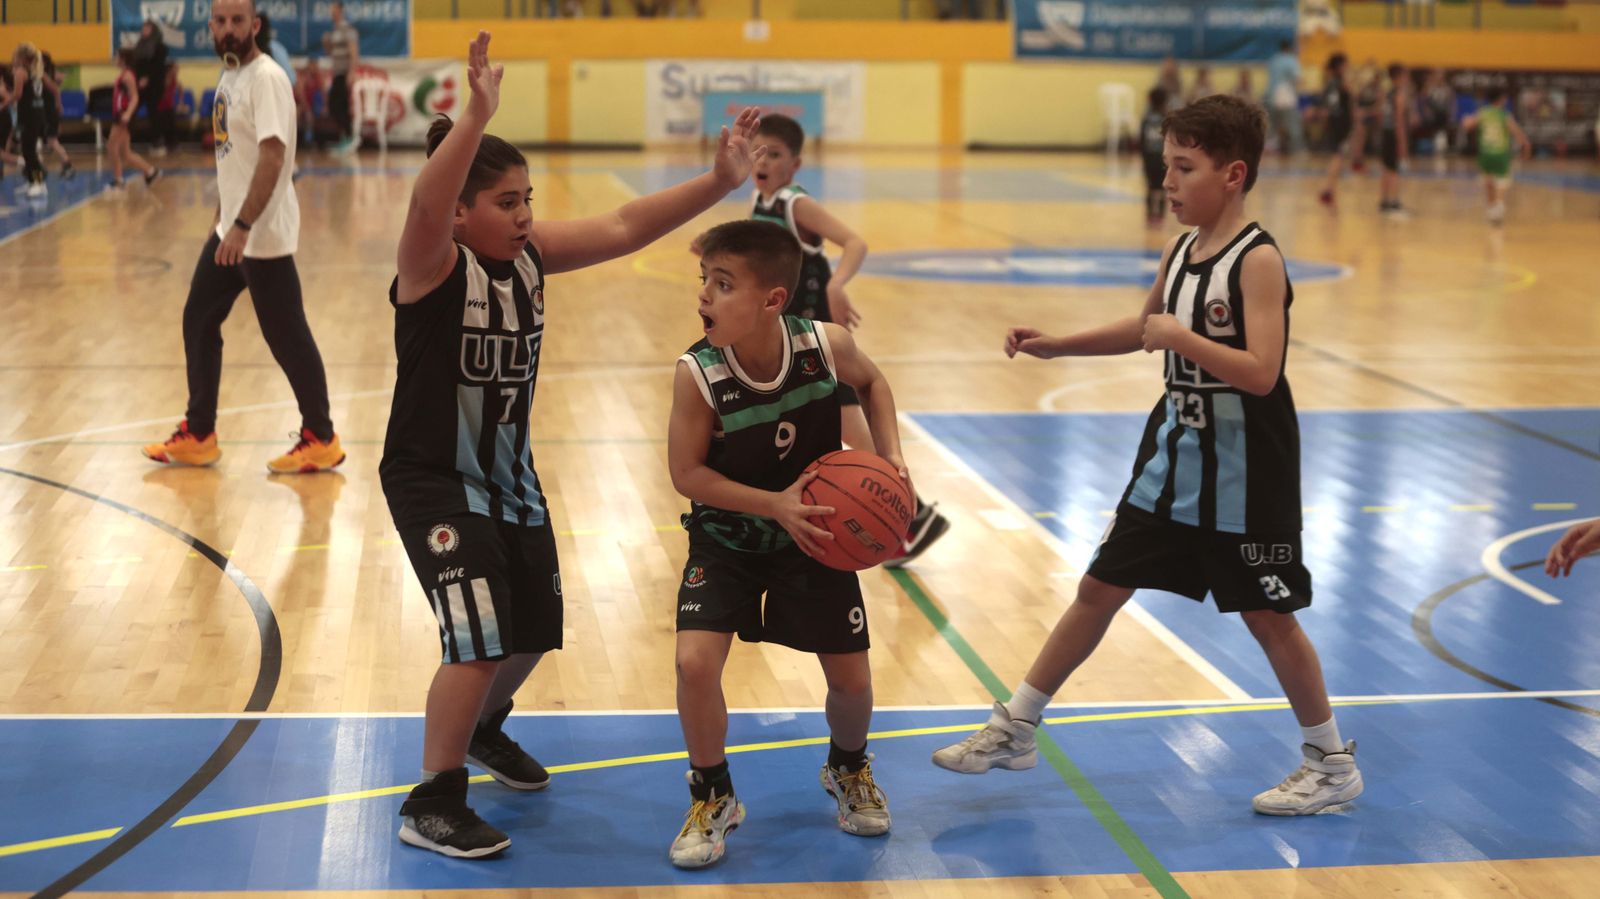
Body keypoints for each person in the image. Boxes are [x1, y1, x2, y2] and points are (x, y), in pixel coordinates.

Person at [382, 31, 763, 859]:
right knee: (479, 636)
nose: (524, 214)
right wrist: (475, 118)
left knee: (531, 628)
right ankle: (433, 798)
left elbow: (624, 225)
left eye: (527, 198)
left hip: (509, 478)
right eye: (505, 202)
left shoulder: (532, 259)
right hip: (435, 479)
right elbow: (424, 205)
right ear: (461, 213)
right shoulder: (432, 265)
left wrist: (718, 183)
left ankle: (483, 727)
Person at [930, 95, 1364, 819]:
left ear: (1233, 174)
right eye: (1167, 165)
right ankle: (1018, 725)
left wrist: (1182, 338)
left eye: (1184, 167)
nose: (1168, 181)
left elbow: (1262, 371)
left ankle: (1331, 761)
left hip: (1245, 468)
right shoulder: (1179, 250)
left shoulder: (1256, 259)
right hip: (1173, 454)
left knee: (1267, 615)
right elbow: (1144, 329)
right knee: (1099, 587)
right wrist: (1057, 345)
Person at [666, 219, 907, 867]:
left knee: (852, 682)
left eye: (723, 284)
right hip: (728, 536)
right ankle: (713, 794)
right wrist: (774, 503)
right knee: (694, 664)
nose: (704, 296)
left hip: (815, 535)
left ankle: (848, 767)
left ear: (773, 299)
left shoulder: (824, 346)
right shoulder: (698, 372)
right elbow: (686, 474)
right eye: (704, 280)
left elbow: (874, 383)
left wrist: (891, 458)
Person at [702, 113, 950, 566]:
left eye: (775, 155)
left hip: (816, 345)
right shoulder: (762, 199)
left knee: (861, 440)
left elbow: (855, 242)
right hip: (790, 346)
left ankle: (911, 516)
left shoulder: (795, 204)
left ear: (795, 165)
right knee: (853, 438)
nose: (764, 162)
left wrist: (837, 284)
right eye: (759, 153)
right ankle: (909, 516)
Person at [142, 0, 341, 473]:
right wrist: (223, 219)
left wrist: (243, 225)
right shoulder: (230, 77)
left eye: (238, 21)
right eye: (221, 22)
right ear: (210, 26)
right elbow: (236, 158)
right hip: (231, 230)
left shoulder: (266, 78)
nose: (228, 30)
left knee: (286, 335)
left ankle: (321, 437)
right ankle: (199, 432)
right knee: (199, 317)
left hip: (261, 233)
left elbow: (273, 156)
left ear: (255, 25)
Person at [1461, 86, 1530, 225]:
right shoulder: (1504, 115)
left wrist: (1465, 120)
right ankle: (1499, 204)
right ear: (1502, 99)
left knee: (1488, 180)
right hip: (1500, 153)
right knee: (1502, 182)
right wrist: (1525, 144)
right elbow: (1516, 132)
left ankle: (1491, 208)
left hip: (1485, 153)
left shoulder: (1483, 112)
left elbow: (1467, 125)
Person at [107, 48, 161, 191]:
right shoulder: (124, 74)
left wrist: (128, 114)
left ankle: (118, 180)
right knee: (126, 153)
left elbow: (135, 97)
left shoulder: (127, 76)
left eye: (117, 56)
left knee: (112, 147)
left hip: (123, 116)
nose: (115, 59)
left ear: (123, 59)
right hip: (121, 115)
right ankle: (150, 171)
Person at [1316, 53, 1358, 208]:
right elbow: (1352, 96)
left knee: (1339, 157)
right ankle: (1327, 189)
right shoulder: (1339, 82)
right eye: (1346, 64)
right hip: (1341, 122)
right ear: (1340, 66)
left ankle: (1330, 189)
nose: (1348, 67)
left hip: (1336, 122)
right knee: (1338, 156)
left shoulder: (1330, 82)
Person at [11, 43, 50, 198]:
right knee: (27, 150)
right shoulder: (34, 71)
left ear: (21, 58)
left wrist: (4, 103)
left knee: (29, 151)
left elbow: (17, 95)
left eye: (15, 55)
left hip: (29, 116)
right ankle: (32, 181)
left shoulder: (21, 71)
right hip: (35, 114)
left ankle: (39, 183)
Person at [322, 0, 359, 151]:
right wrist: (326, 43)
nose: (331, 12)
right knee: (335, 106)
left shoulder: (347, 29)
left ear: (340, 10)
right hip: (336, 73)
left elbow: (354, 52)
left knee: (340, 106)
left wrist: (352, 72)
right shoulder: (335, 30)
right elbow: (332, 53)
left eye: (333, 9)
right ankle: (344, 137)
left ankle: (350, 137)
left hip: (344, 73)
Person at [1377, 62, 1410, 216]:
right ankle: (1394, 201)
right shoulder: (1399, 95)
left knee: (1386, 168)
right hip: (1394, 134)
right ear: (1399, 76)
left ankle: (1384, 200)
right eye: (1404, 75)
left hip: (1385, 133)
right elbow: (1399, 121)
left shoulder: (1386, 94)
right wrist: (1402, 143)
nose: (1406, 78)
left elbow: (1381, 116)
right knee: (1395, 169)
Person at [38, 51, 73, 179]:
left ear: (43, 62)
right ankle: (65, 164)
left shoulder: (43, 75)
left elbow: (55, 90)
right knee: (51, 141)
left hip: (49, 111)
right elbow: (58, 82)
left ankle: (67, 164)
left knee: (52, 141)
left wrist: (58, 105)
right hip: (46, 111)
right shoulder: (48, 73)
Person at [1264, 39, 1303, 155]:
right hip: (1284, 96)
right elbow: (1297, 78)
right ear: (1289, 48)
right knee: (1292, 125)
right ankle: (1296, 150)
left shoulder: (1273, 60)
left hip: (1271, 96)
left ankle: (1270, 150)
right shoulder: (1291, 60)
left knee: (1273, 127)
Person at [1140, 86, 1169, 225]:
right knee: (1163, 188)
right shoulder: (1166, 119)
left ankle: (1150, 215)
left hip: (1149, 158)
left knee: (1150, 187)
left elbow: (1141, 141)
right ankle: (1160, 215)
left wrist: (1143, 158)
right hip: (1163, 158)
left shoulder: (1146, 119)